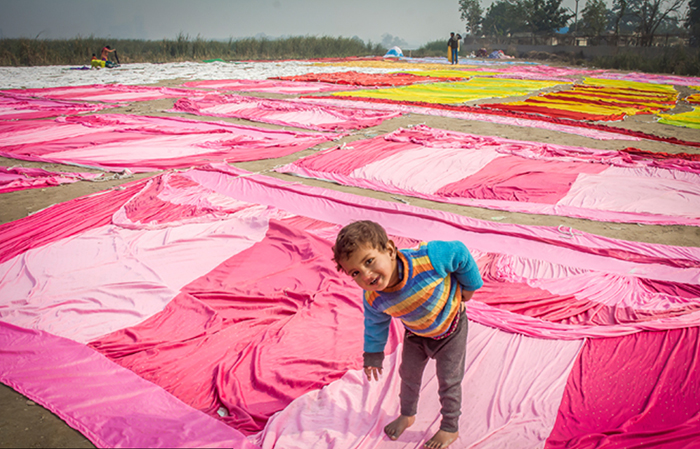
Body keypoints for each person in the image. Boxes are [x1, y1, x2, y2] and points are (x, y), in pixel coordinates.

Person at [333, 220, 483, 449]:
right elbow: (375, 324)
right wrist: (373, 354)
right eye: (355, 272)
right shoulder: (374, 298)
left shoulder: (428, 258)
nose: (366, 274)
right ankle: (408, 414)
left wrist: (470, 287)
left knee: (449, 381)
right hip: (416, 334)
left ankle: (449, 427)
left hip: (451, 329)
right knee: (408, 376)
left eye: (369, 261)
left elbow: (459, 252)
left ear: (390, 250)